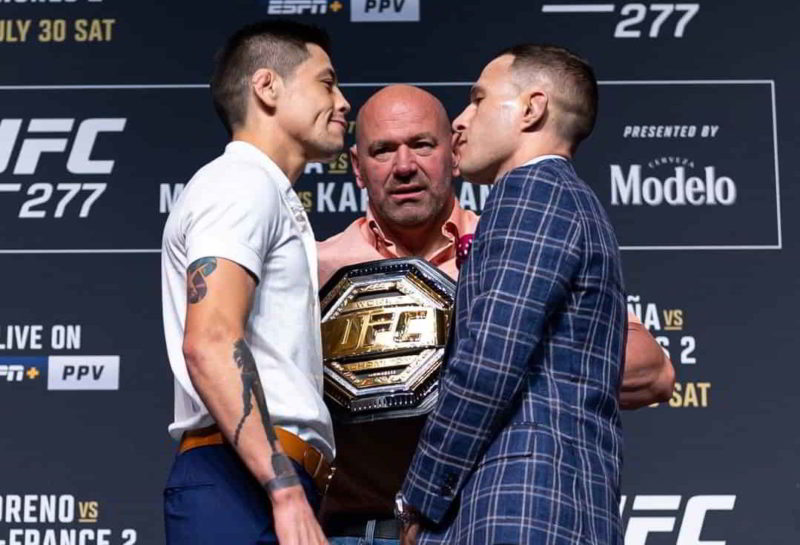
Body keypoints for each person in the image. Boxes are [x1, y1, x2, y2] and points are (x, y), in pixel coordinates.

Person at [317, 84, 673, 545]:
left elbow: (654, 372)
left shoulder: (513, 246)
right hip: (350, 530)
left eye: (422, 145)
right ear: (357, 167)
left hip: (473, 524)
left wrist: (495, 348)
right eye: (383, 150)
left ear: (453, 152)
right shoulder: (318, 268)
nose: (404, 166)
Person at [395, 44, 629, 545]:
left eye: (478, 100)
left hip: (519, 506)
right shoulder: (571, 200)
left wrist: (418, 496)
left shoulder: (532, 194)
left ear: (532, 108)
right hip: (561, 502)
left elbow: (488, 361)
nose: (459, 121)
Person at [160, 20, 350, 545]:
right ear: (267, 86)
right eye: (327, 83)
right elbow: (210, 340)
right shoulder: (241, 184)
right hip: (243, 483)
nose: (342, 103)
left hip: (256, 478)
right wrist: (283, 490)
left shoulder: (260, 189)